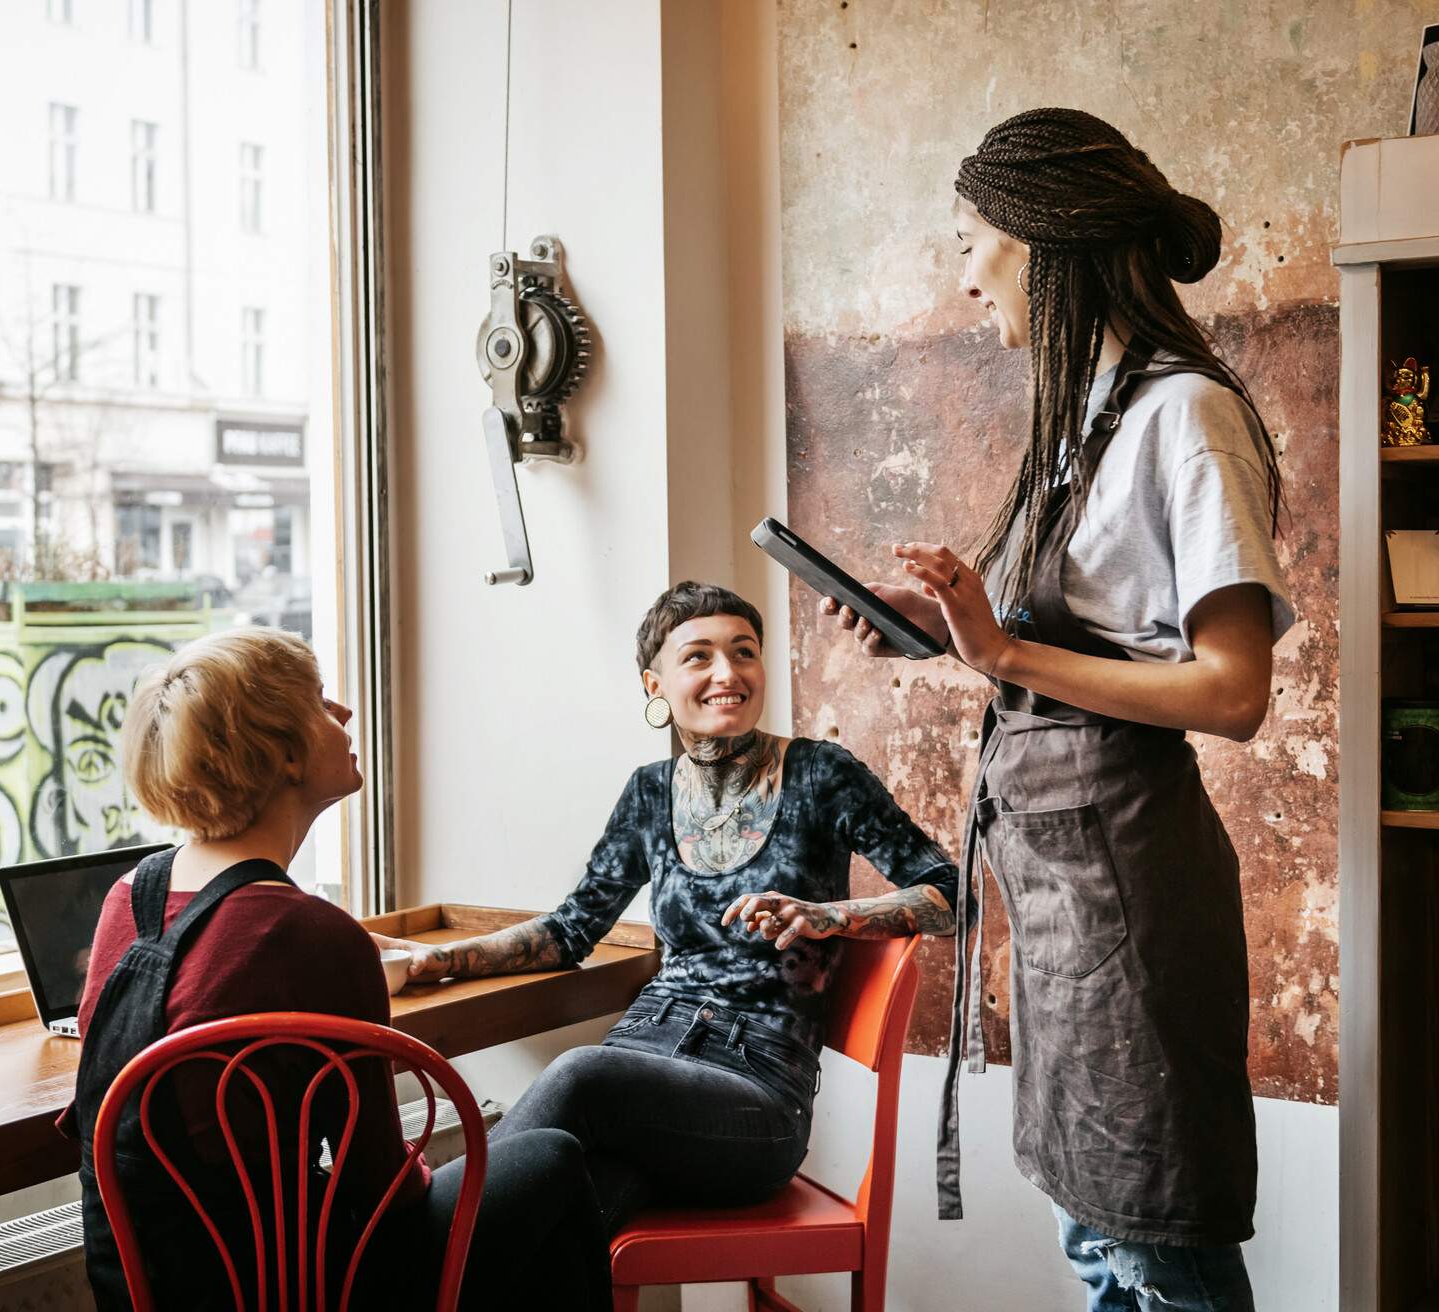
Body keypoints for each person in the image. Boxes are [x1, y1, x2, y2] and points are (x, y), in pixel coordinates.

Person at [820, 108, 1290, 1312]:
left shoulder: (1188, 415)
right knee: (1101, 1232)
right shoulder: (1098, 408)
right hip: (1071, 892)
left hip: (1127, 888)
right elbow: (1072, 641)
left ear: (1046, 241)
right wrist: (933, 626)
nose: (965, 270)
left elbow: (1233, 692)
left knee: (1157, 1241)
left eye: (975, 237)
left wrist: (1003, 646)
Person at [379, 582, 959, 1236]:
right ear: (655, 685)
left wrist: (831, 917)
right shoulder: (649, 792)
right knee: (563, 1206)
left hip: (757, 1090)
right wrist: (436, 960)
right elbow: (570, 931)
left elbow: (949, 896)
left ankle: (410, 1243)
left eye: (744, 652)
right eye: (699, 657)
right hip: (647, 1056)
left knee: (579, 1078)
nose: (727, 673)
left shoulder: (822, 776)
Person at [65, 627, 609, 1312]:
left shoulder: (128, 899)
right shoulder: (310, 934)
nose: (346, 715)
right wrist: (430, 1172)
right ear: (286, 755)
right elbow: (377, 1187)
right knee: (553, 1158)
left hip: (149, 1289)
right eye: (323, 703)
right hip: (301, 1290)